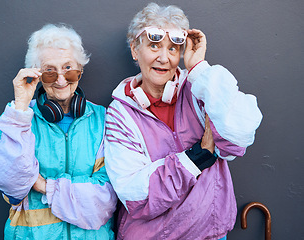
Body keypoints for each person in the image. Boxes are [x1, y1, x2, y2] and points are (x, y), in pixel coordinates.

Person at [104, 3, 262, 240]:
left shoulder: (199, 89)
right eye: (154, 45)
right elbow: (137, 196)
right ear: (135, 50)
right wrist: (200, 155)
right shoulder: (120, 113)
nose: (164, 58)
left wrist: (198, 68)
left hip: (210, 234)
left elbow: (236, 138)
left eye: (173, 48)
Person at [0, 24, 117, 240]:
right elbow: (10, 184)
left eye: (69, 69)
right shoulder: (20, 118)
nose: (61, 80)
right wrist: (21, 106)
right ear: (38, 75)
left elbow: (104, 199)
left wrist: (44, 186)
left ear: (81, 70)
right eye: (50, 72)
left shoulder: (102, 119)